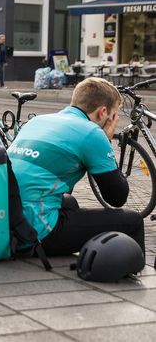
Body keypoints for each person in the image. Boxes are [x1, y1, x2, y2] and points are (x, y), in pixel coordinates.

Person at [9, 77, 144, 256]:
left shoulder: (37, 121)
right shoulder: (92, 132)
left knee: (70, 203)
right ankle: (132, 276)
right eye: (113, 116)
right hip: (34, 229)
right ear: (103, 112)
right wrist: (106, 140)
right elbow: (117, 197)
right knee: (133, 221)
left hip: (7, 219)